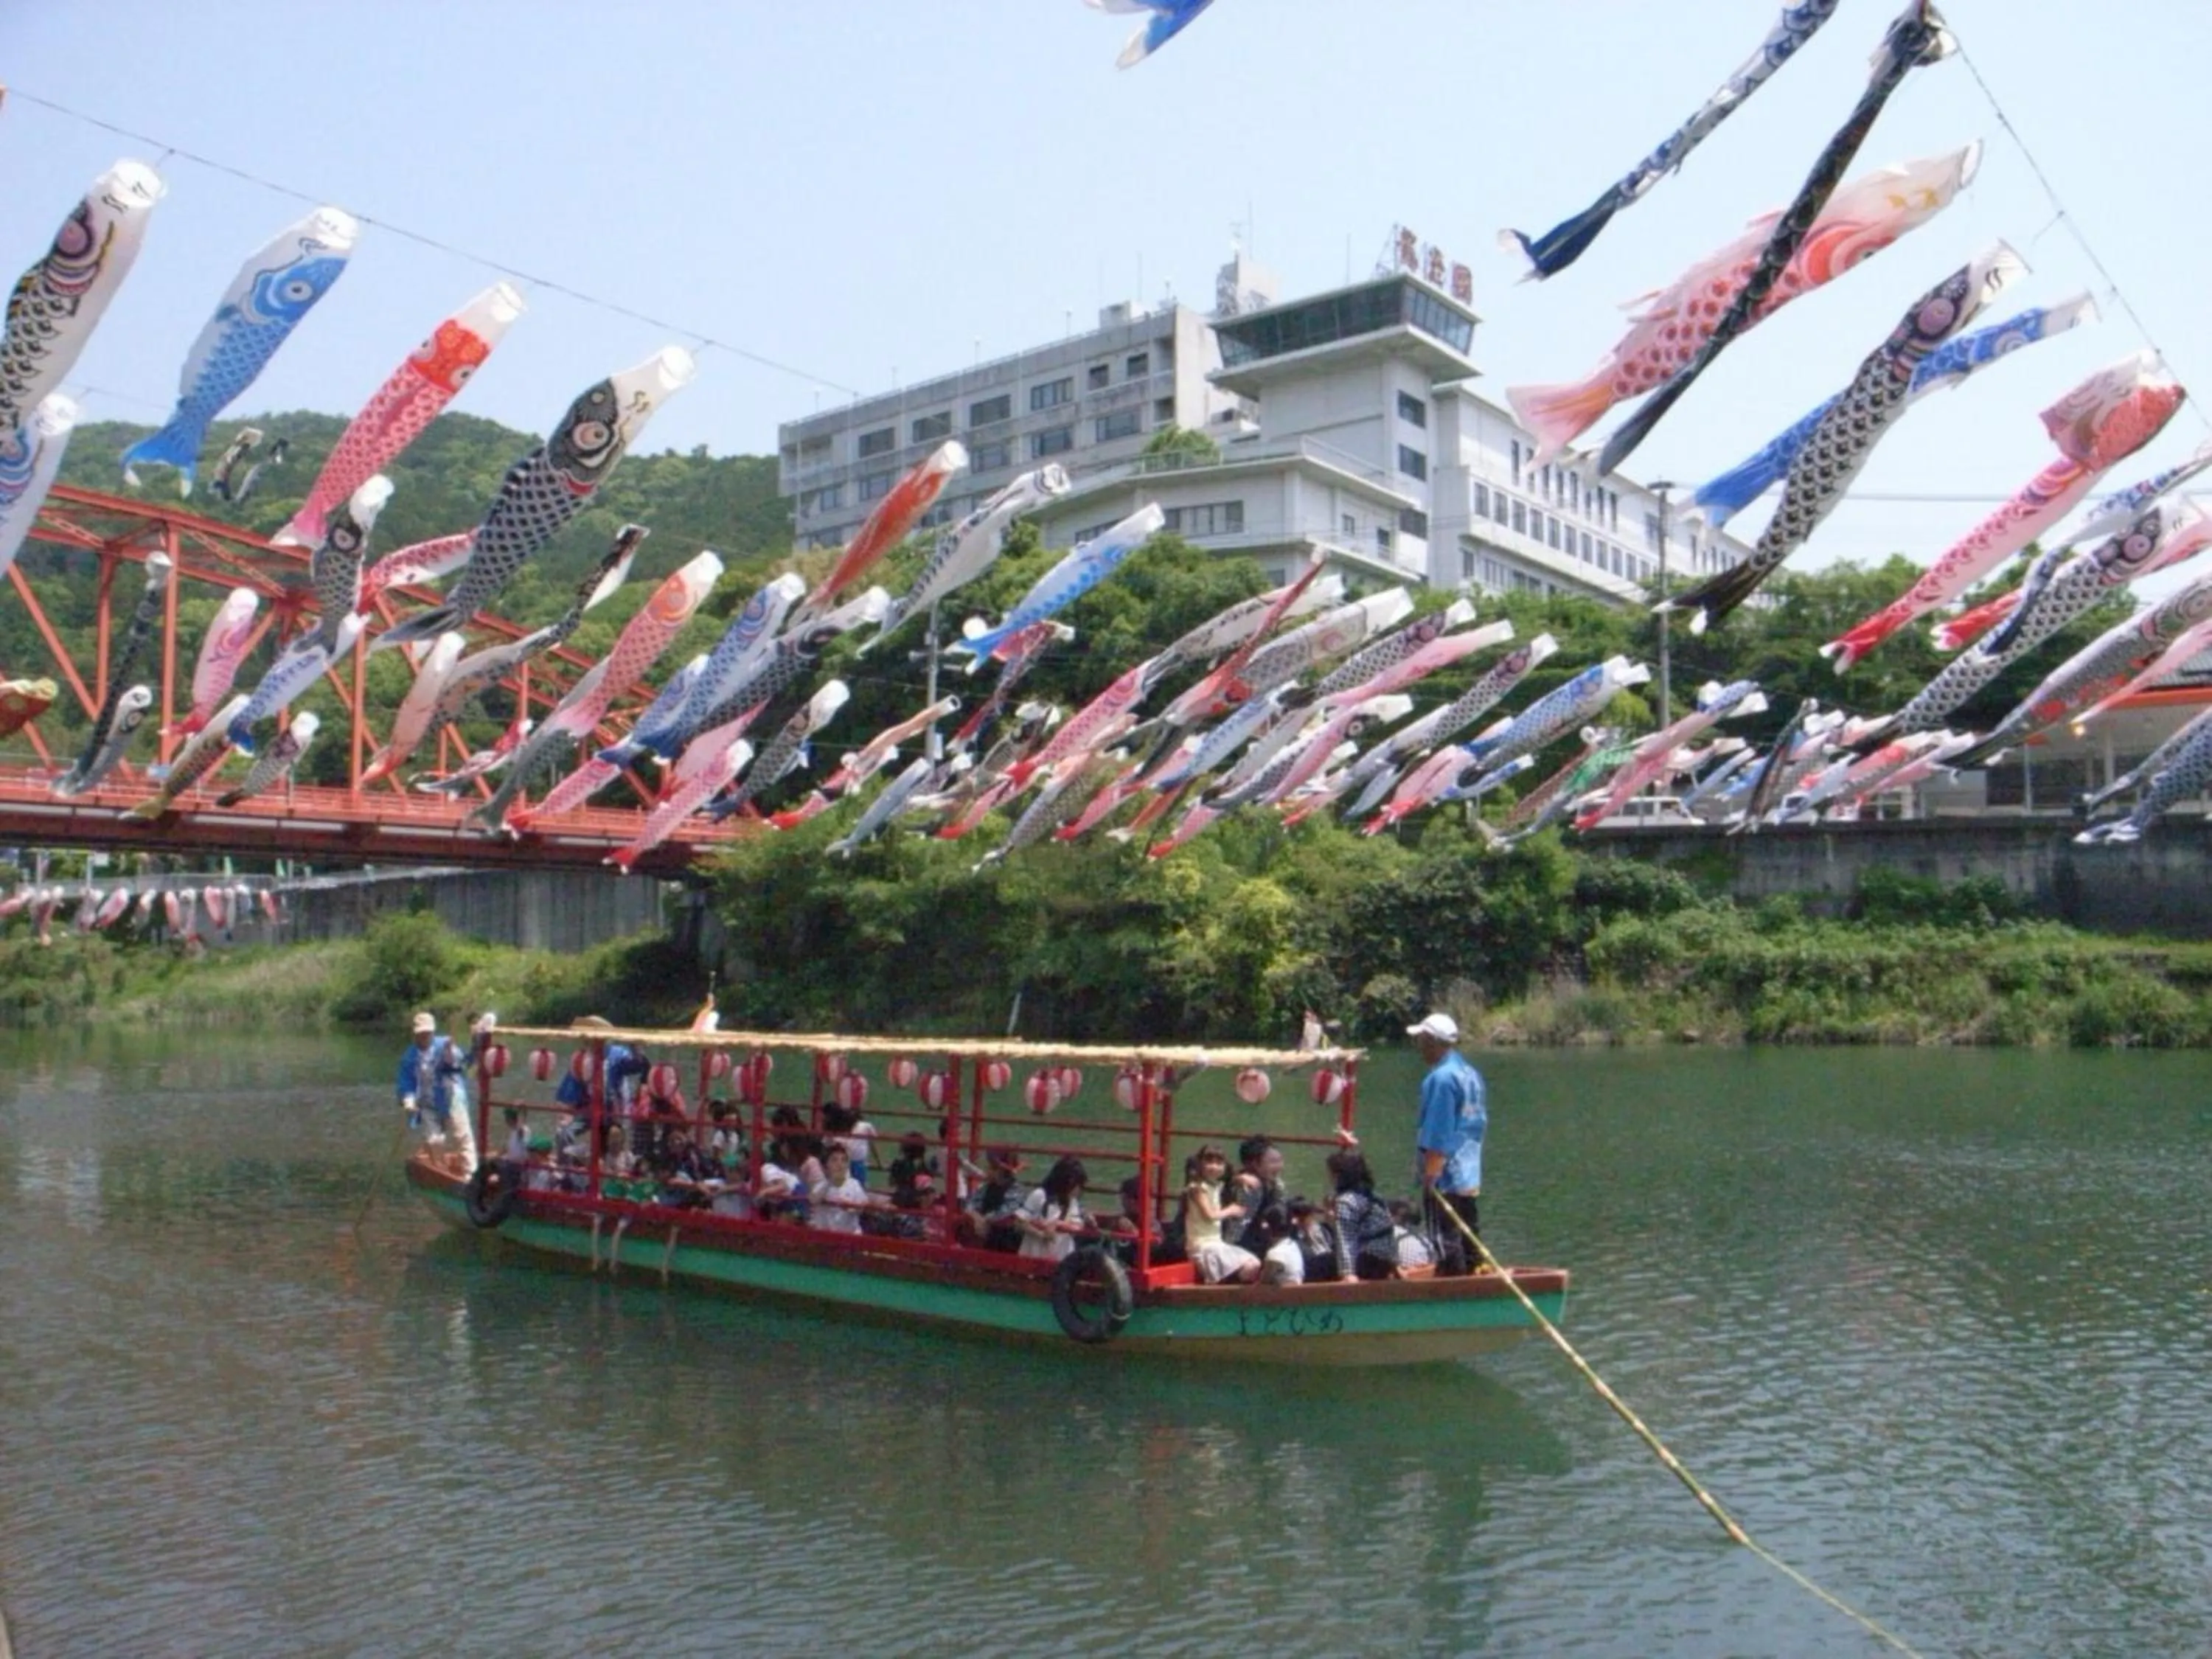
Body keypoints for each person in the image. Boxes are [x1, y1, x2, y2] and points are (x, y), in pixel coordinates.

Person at [1408, 1011, 1486, 1276]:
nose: (1418, 1046)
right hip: (1469, 1171)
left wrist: (1431, 1174)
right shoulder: (1470, 1073)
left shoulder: (1441, 1079)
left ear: (1432, 1041)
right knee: (1469, 1236)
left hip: (1446, 1174)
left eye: (1420, 1040)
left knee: (1446, 1240)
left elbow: (1438, 1131)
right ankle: (1476, 1277)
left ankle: (1453, 1289)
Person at [395, 1010, 477, 1176]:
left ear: (433, 1031)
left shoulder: (445, 1044)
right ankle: (440, 1171)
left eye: (428, 1032)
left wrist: (449, 1054)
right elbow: (406, 1083)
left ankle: (471, 1174)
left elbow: (460, 1065)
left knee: (462, 1135)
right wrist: (408, 1100)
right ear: (415, 1034)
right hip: (427, 1102)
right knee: (434, 1140)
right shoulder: (409, 1057)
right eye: (421, 1033)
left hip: (451, 1096)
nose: (425, 1036)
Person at [1183, 1145, 1259, 1284]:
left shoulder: (1215, 1185)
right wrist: (1231, 1210)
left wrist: (1240, 1178)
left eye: (1219, 1163)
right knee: (1249, 1266)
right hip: (1202, 1246)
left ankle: (1234, 1291)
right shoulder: (1197, 1188)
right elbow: (1210, 1215)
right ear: (1200, 1164)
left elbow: (1228, 1180)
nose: (1214, 1167)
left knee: (1253, 1264)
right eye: (1209, 1162)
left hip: (1216, 1244)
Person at [1325, 1150, 1397, 1281]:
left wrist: (1348, 1273)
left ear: (1338, 1176)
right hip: (1387, 1260)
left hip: (1367, 1261)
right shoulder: (1375, 1197)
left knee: (1319, 1264)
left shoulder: (1346, 1202)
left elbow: (1345, 1239)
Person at [1016, 1156, 1088, 1263]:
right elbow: (1019, 1222)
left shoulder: (1072, 1202)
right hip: (1035, 1253)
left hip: (1062, 1255)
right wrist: (1041, 1234)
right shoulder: (1039, 1195)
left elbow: (1078, 1226)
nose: (1079, 1190)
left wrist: (1058, 1224)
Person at [959, 1147, 1027, 1251]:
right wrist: (976, 1217)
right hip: (983, 1229)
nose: (988, 1170)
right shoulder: (986, 1187)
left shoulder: (1017, 1190)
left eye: (992, 1168)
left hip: (1003, 1236)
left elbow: (1005, 1212)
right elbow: (971, 1203)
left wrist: (985, 1220)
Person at [1225, 1135, 1285, 1252]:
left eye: (1280, 1160)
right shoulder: (1247, 1187)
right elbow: (1236, 1229)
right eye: (1273, 1162)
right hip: (1242, 1245)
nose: (1279, 1167)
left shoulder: (1275, 1184)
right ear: (1253, 1164)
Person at [810, 1144, 869, 1235]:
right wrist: (830, 1182)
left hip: (850, 1236)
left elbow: (864, 1206)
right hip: (826, 1237)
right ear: (826, 1166)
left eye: (844, 1160)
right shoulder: (820, 1186)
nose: (839, 1164)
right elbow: (813, 1200)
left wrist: (851, 1207)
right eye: (834, 1160)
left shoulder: (854, 1184)